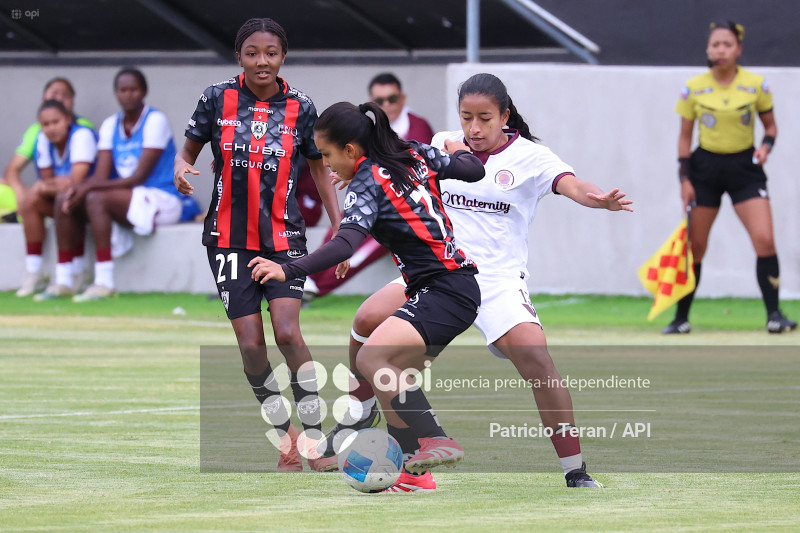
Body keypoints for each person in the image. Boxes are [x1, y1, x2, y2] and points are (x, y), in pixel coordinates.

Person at [321, 73, 632, 492]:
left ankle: (574, 469)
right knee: (368, 322)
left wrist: (595, 199)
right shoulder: (448, 142)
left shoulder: (531, 158)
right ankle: (373, 428)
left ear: (504, 116)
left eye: (484, 118)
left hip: (498, 280)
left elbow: (571, 184)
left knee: (537, 361)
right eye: (467, 117)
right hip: (439, 270)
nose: (474, 128)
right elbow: (399, 178)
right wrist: (359, 178)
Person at [249, 100, 485, 479]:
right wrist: (456, 149)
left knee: (373, 360)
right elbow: (474, 169)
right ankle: (411, 472)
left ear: (350, 150)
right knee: (384, 366)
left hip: (445, 289)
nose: (325, 165)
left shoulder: (367, 181)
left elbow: (345, 245)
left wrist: (287, 268)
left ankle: (436, 438)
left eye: (327, 155)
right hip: (447, 286)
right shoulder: (411, 152)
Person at [173, 18, 343, 472]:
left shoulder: (303, 108)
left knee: (287, 333)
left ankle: (315, 437)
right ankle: (285, 436)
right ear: (239, 57)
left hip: (284, 239)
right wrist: (181, 165)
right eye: (252, 52)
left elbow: (320, 169)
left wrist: (338, 224)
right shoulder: (216, 98)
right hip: (227, 242)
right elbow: (188, 149)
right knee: (251, 345)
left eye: (270, 52)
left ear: (283, 56)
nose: (261, 61)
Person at [663, 21, 796, 335]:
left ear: (738, 49)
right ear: (708, 49)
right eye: (714, 45)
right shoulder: (694, 87)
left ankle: (774, 315)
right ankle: (680, 318)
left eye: (726, 44)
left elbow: (771, 128)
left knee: (764, 239)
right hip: (705, 169)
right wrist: (685, 178)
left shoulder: (756, 85)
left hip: (744, 169)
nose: (720, 50)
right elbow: (684, 138)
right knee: (696, 245)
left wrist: (766, 147)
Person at [303, 73, 436, 301]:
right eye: (380, 101)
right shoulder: (367, 129)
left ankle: (315, 288)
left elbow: (421, 169)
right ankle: (308, 277)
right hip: (375, 198)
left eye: (391, 99)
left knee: (373, 240)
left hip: (407, 210)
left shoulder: (418, 127)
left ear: (402, 99)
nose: (387, 105)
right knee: (345, 223)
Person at [59, 68, 184, 302]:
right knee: (65, 196)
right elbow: (101, 176)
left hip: (162, 198)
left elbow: (137, 178)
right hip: (128, 197)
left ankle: (104, 281)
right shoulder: (109, 125)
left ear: (144, 92)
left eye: (133, 89)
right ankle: (67, 277)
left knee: (95, 197)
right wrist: (81, 187)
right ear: (116, 93)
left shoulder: (155, 120)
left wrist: (88, 187)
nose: (128, 95)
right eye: (123, 90)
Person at [14, 100, 97, 299]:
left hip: (92, 202)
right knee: (30, 202)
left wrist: (48, 185)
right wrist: (48, 185)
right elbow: (47, 183)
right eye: (45, 124)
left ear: (67, 119)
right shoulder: (42, 140)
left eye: (56, 122)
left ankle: (71, 275)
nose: (50, 128)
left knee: (62, 198)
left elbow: (75, 183)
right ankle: (35, 272)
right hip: (66, 200)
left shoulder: (82, 135)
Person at [3, 77, 94, 205]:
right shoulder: (37, 132)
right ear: (43, 99)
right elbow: (13, 169)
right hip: (50, 190)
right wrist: (20, 191)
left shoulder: (83, 129)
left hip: (78, 194)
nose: (60, 99)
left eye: (65, 95)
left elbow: (75, 182)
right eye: (54, 94)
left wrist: (41, 188)